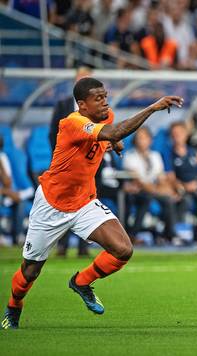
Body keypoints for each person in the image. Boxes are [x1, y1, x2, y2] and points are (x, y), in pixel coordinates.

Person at [1, 77, 183, 329]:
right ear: (82, 105)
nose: (105, 102)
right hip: (52, 205)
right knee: (30, 272)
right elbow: (113, 132)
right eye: (98, 99)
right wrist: (152, 108)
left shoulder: (105, 117)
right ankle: (13, 306)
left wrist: (113, 143)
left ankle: (82, 281)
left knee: (123, 249)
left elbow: (110, 136)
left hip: (84, 202)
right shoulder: (73, 122)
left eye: (105, 96)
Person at [50, 66, 93, 257]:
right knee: (65, 206)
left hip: (89, 167)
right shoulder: (63, 106)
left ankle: (84, 247)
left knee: (87, 205)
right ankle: (62, 247)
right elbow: (53, 134)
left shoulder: (98, 108)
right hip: (67, 167)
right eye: (80, 77)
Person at [122, 127, 181, 245]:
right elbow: (138, 181)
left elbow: (161, 178)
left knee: (169, 200)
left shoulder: (155, 156)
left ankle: (169, 234)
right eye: (140, 138)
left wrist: (167, 190)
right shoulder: (129, 156)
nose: (142, 141)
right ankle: (133, 235)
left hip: (154, 190)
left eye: (145, 138)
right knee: (147, 198)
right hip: (137, 192)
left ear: (150, 140)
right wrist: (157, 190)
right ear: (135, 141)